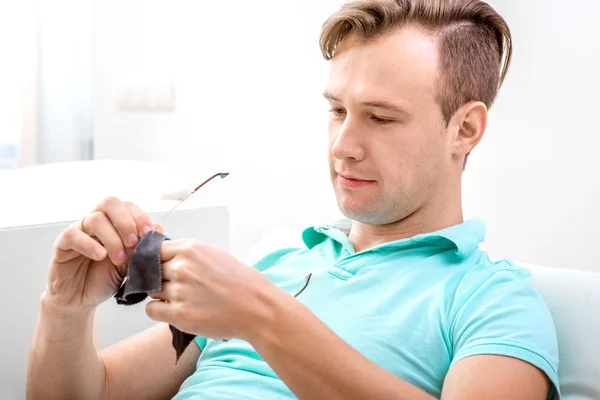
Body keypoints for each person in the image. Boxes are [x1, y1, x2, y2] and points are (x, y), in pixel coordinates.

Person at [27, 0, 560, 399]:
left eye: (380, 117)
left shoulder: (493, 302)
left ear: (465, 129)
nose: (343, 147)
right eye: (336, 111)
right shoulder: (278, 262)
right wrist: (64, 310)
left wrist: (261, 315)